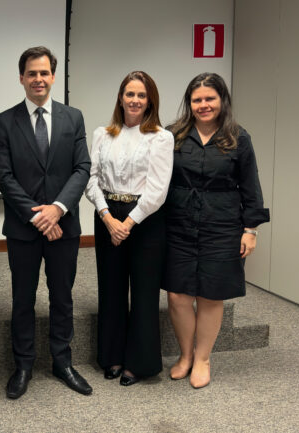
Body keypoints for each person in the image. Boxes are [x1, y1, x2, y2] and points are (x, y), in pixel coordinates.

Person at [0, 46, 92, 399]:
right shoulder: (5, 121)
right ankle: (23, 365)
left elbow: (82, 168)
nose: (38, 79)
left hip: (64, 225)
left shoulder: (73, 117)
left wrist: (58, 209)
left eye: (44, 73)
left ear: (53, 76)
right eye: (31, 73)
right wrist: (38, 215)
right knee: (23, 298)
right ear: (21, 78)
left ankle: (62, 362)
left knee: (62, 297)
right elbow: (5, 177)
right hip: (24, 228)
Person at [164, 72, 269, 389]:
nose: (203, 105)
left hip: (222, 225)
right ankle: (185, 355)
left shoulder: (239, 138)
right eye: (197, 99)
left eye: (209, 98)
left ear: (222, 100)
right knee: (177, 295)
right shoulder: (173, 135)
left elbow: (251, 187)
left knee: (211, 294)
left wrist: (251, 229)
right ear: (189, 103)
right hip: (178, 224)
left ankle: (203, 358)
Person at [85, 71, 173, 386]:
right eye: (129, 94)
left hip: (145, 218)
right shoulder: (102, 134)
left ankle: (139, 363)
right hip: (107, 215)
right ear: (120, 98)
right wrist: (107, 217)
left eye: (141, 95)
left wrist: (129, 222)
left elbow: (158, 190)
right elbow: (91, 179)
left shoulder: (161, 137)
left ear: (150, 101)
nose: (135, 100)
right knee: (111, 289)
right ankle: (112, 356)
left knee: (144, 293)